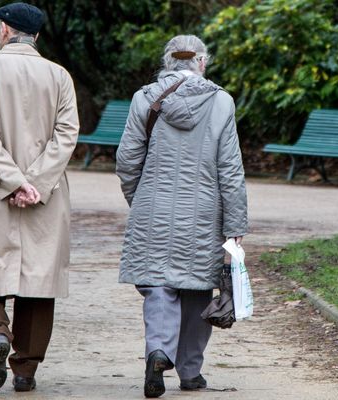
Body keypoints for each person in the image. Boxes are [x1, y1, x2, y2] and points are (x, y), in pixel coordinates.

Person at [116, 34, 248, 398]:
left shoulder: (145, 98)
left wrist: (138, 199)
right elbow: (231, 169)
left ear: (167, 61)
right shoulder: (221, 101)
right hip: (205, 213)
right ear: (201, 62)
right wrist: (235, 226)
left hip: (153, 208)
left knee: (159, 283)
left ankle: (158, 350)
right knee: (196, 287)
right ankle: (190, 372)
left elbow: (127, 160)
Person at [0, 2, 79, 393]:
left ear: (6, 30)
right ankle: (25, 370)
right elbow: (67, 135)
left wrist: (11, 181)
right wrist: (36, 184)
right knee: (39, 278)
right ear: (36, 36)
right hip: (48, 192)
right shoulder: (59, 76)